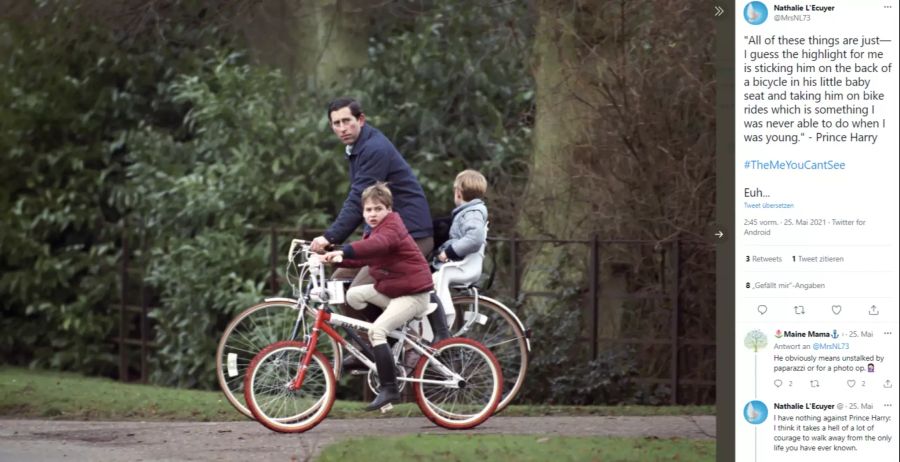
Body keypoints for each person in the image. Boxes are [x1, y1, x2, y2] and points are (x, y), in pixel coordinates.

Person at [312, 98, 434, 367]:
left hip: (409, 235)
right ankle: (372, 345)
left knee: (359, 288)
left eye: (347, 121)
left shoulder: (373, 148)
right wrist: (340, 250)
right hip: (384, 237)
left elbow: (359, 199)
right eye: (336, 123)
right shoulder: (358, 148)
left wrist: (330, 238)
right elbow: (364, 202)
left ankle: (406, 344)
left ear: (361, 120)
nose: (342, 127)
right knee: (339, 282)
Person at [322, 183, 449, 411]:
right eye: (368, 210)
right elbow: (365, 258)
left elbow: (376, 246)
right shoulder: (374, 230)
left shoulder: (391, 228)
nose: (373, 214)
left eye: (378, 209)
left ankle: (389, 388)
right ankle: (388, 340)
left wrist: (345, 251)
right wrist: (336, 257)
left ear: (388, 209)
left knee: (375, 331)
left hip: (413, 295)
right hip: (394, 291)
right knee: (353, 295)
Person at [429, 169, 489, 331]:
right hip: (460, 263)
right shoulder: (470, 211)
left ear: (459, 192)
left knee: (435, 280)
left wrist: (448, 252)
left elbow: (474, 239)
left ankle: (444, 317)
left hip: (462, 265)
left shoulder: (473, 213)